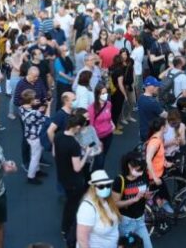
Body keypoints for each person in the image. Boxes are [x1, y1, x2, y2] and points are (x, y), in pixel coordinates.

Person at [55, 114, 92, 247]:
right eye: (81, 128)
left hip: (62, 175)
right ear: (77, 127)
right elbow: (77, 167)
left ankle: (65, 227)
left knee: (69, 203)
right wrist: (86, 152)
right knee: (71, 205)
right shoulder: (73, 144)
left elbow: (55, 153)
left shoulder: (58, 135)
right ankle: (66, 229)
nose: (82, 130)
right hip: (74, 180)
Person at [112, 152, 151, 248]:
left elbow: (147, 193)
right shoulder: (120, 180)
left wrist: (147, 196)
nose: (140, 172)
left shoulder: (144, 176)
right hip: (126, 223)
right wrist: (134, 199)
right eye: (138, 169)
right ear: (129, 165)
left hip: (140, 220)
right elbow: (115, 203)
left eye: (142, 169)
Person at [77, 170, 121, 248]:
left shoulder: (108, 200)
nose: (106, 188)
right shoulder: (87, 208)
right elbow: (82, 240)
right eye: (101, 186)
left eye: (108, 185)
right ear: (93, 188)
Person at [20, 89, 50, 184]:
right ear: (30, 100)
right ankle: (31, 177)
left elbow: (31, 112)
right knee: (35, 157)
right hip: (35, 136)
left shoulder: (21, 108)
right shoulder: (35, 113)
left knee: (36, 154)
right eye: (34, 98)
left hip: (28, 134)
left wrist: (36, 107)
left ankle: (37, 170)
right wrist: (48, 105)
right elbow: (47, 119)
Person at [136, 77, 166, 142]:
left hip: (142, 129)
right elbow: (164, 115)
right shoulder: (153, 103)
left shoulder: (141, 98)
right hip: (151, 133)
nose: (158, 87)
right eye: (156, 86)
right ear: (151, 87)